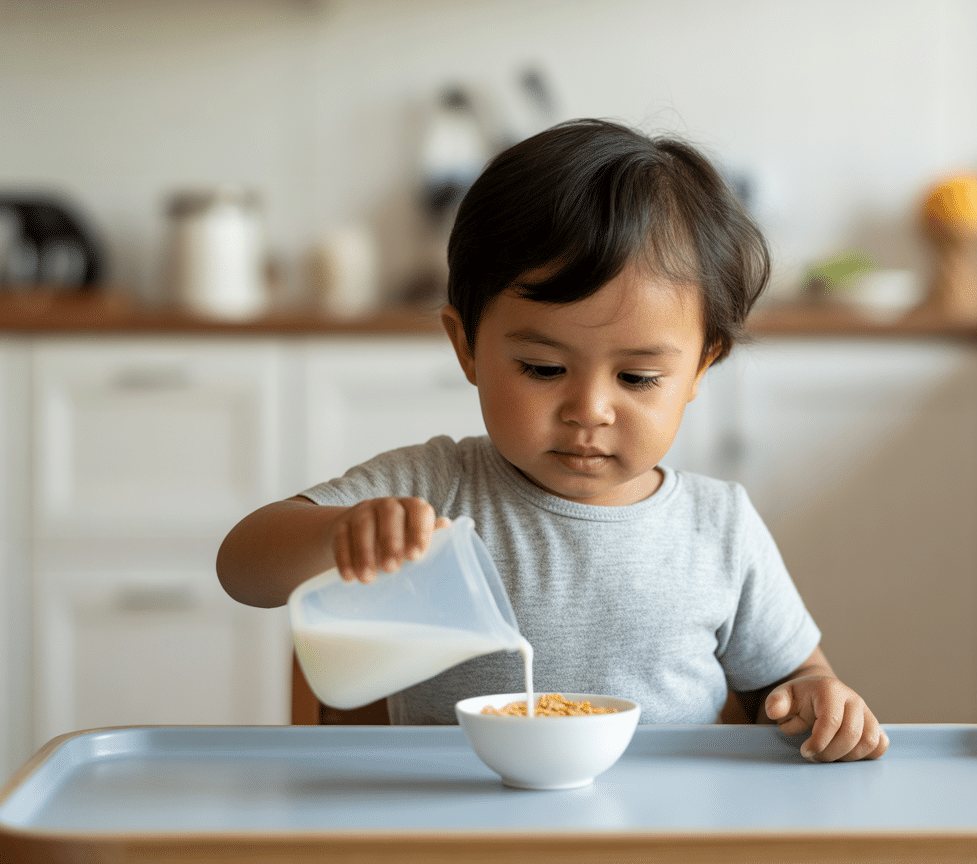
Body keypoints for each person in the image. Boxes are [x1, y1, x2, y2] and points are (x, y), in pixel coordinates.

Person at [217, 119, 888, 762]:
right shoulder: (430, 491)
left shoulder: (720, 529)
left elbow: (792, 682)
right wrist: (340, 535)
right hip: (452, 817)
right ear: (466, 347)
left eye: (637, 377)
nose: (588, 410)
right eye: (543, 368)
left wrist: (820, 700)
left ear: (699, 369)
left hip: (663, 823)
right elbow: (241, 567)